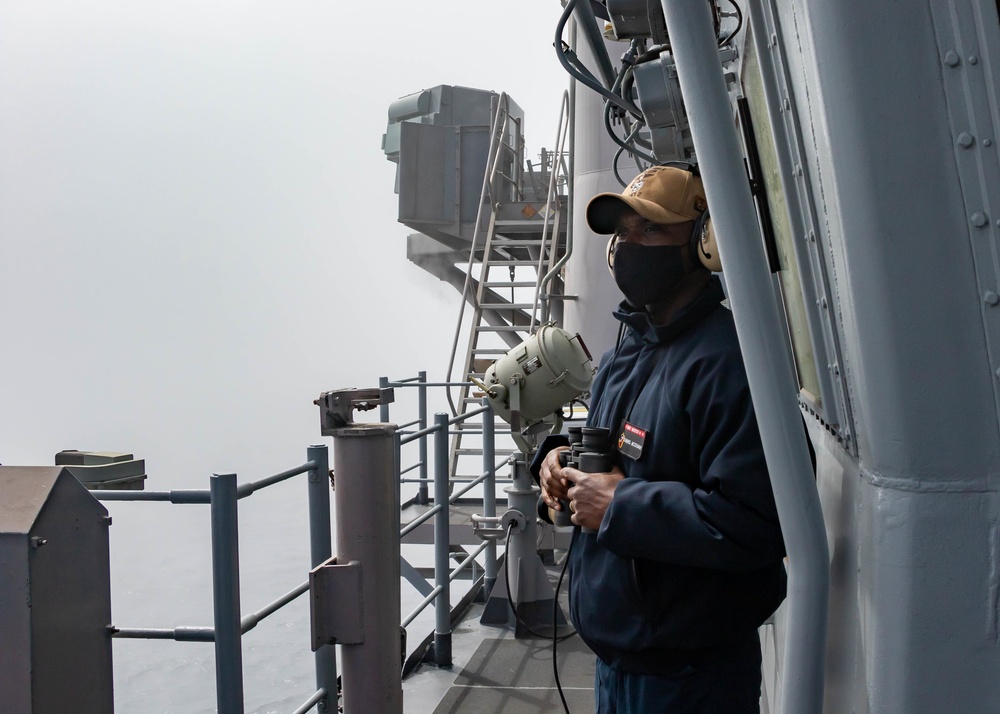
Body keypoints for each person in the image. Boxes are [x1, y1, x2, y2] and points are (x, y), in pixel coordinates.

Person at [533, 166, 786, 713]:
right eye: (622, 233)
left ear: (702, 245)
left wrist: (621, 504)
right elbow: (615, 448)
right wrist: (555, 458)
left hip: (689, 679)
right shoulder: (626, 353)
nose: (628, 247)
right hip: (618, 665)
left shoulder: (729, 363)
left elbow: (755, 524)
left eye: (650, 231)